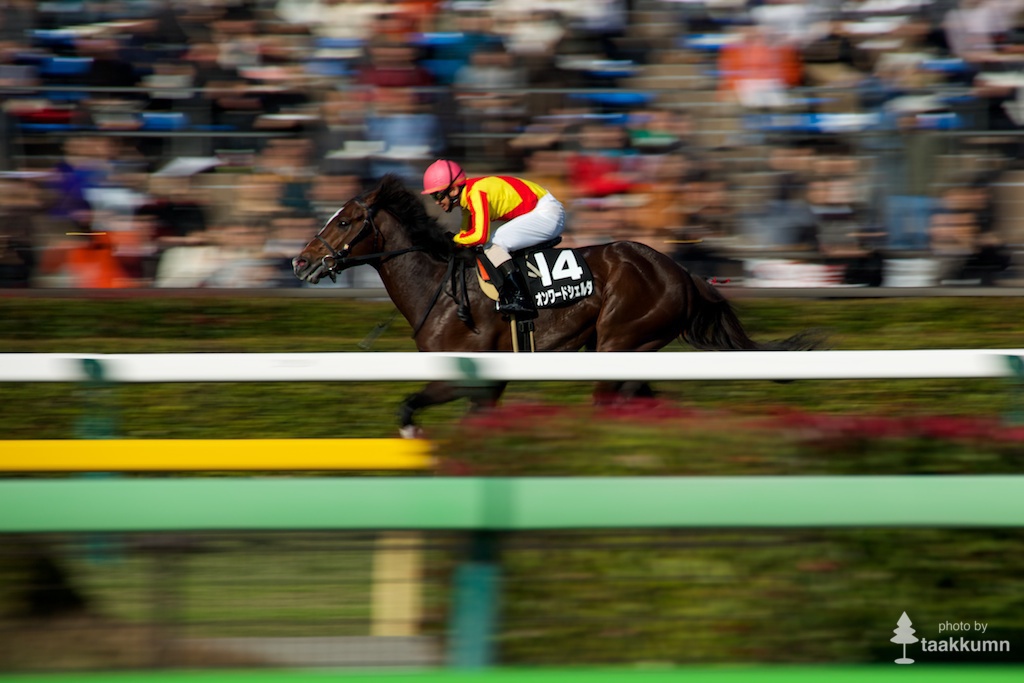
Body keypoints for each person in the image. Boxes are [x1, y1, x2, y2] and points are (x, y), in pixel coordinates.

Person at [421, 159, 565, 319]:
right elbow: (465, 236)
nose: (437, 201)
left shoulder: (476, 193)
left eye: (438, 195)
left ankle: (520, 297)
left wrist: (454, 239)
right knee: (490, 243)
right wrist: (453, 241)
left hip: (548, 213)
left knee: (494, 243)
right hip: (541, 211)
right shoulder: (467, 202)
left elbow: (479, 236)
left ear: (453, 190)